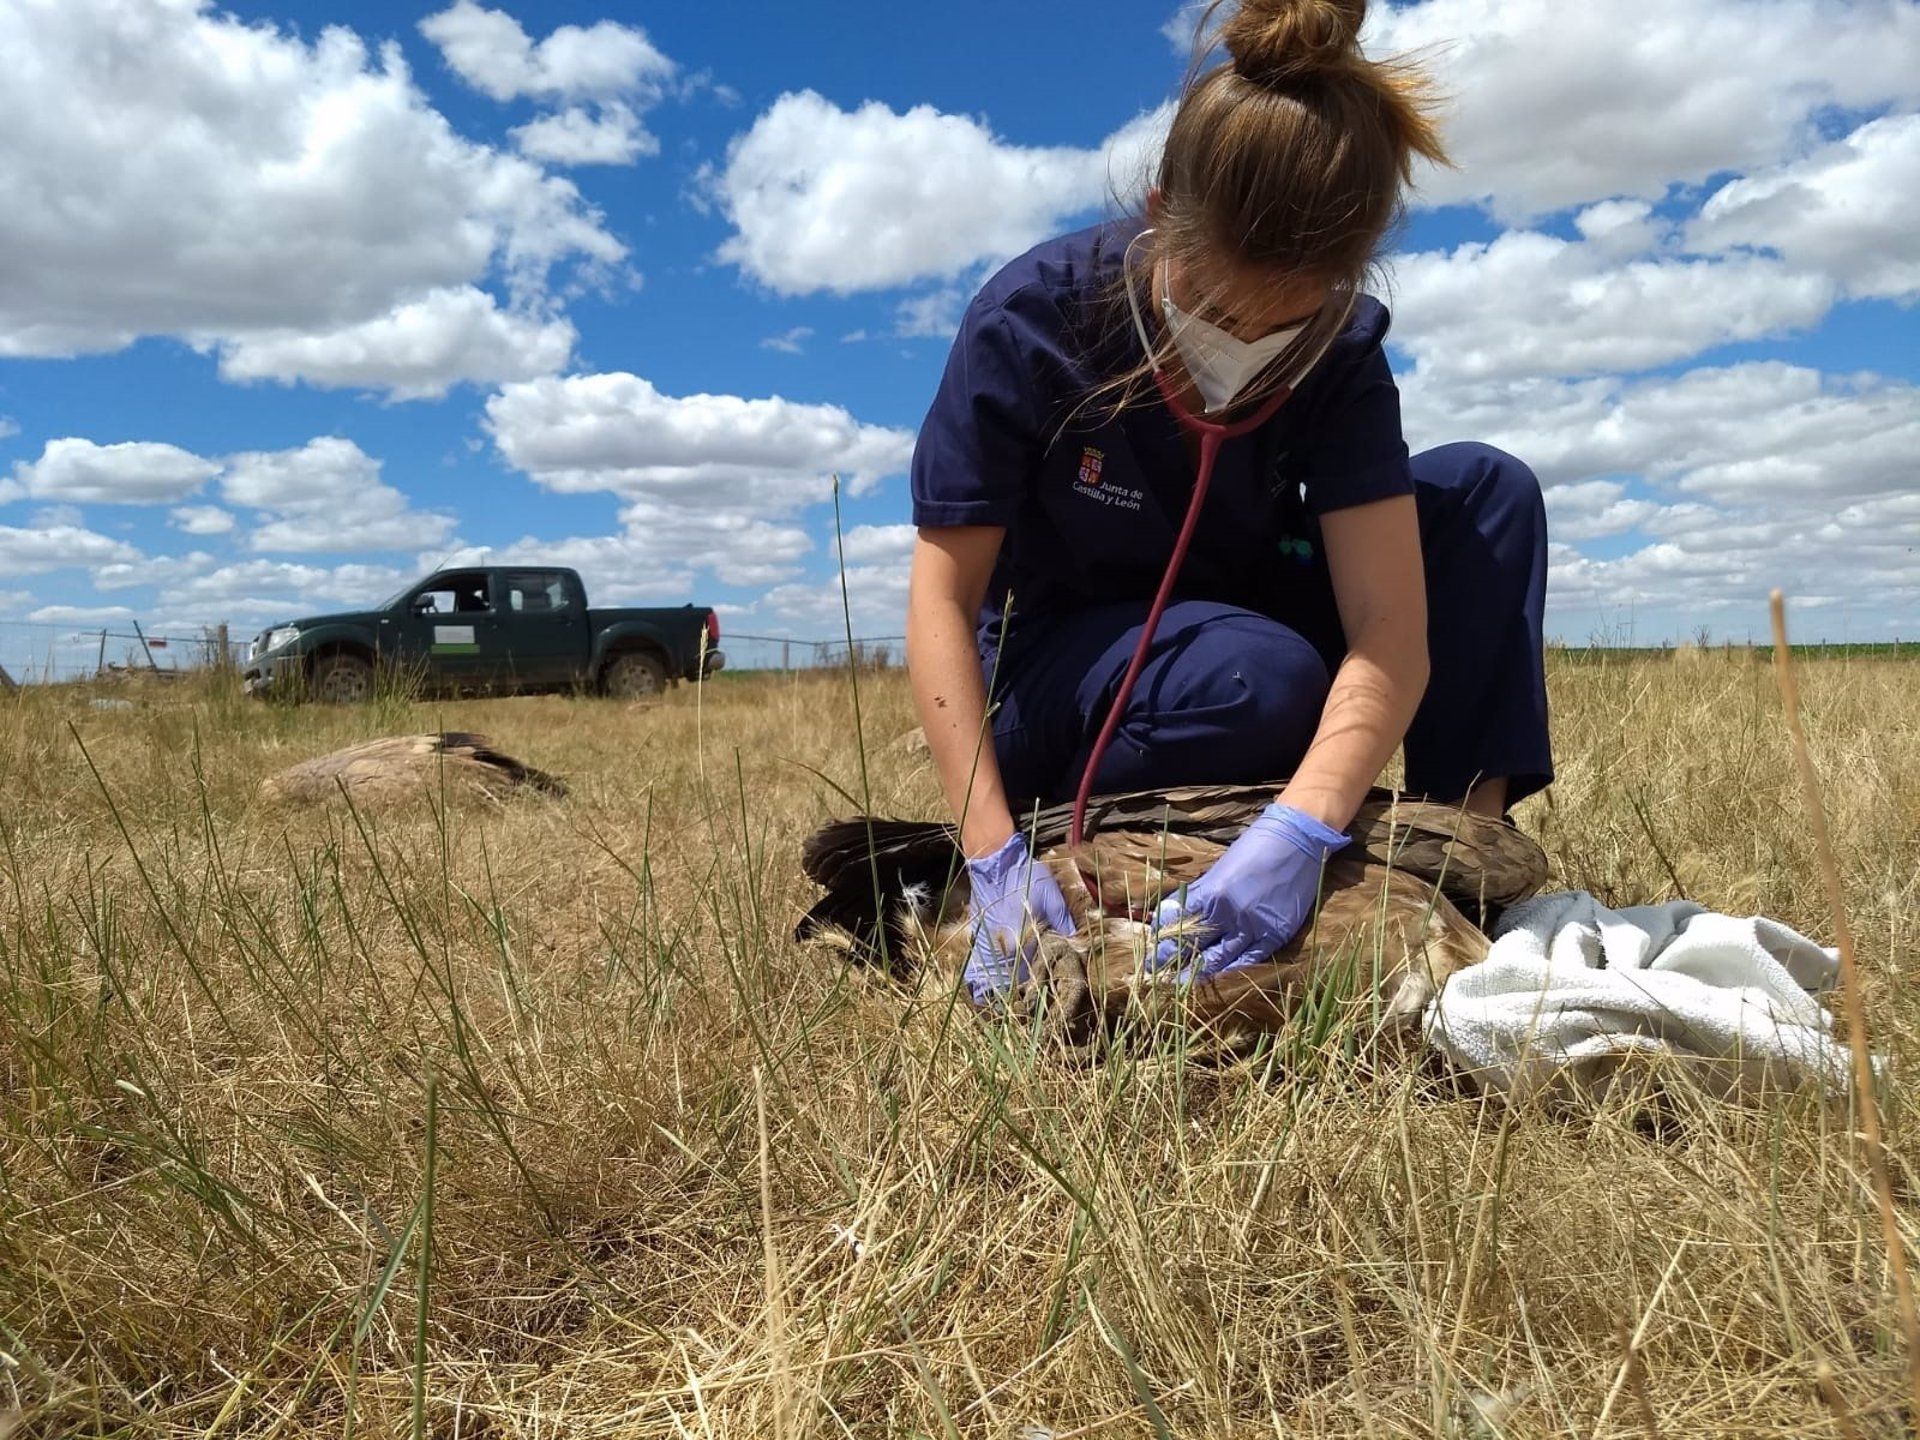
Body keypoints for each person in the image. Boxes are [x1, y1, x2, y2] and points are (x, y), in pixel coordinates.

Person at [905, 0, 1552, 1004]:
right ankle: (1127, 828)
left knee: (1484, 491)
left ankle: (1463, 857)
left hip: (1239, 621)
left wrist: (1301, 831)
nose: (1247, 348)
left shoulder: (1340, 351)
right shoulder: (1030, 323)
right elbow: (942, 602)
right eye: (1213, 309)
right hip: (1063, 674)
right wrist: (987, 855)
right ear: (1163, 211)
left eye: (1291, 323)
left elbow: (1390, 623)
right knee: (1260, 677)